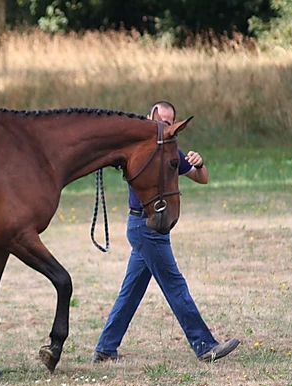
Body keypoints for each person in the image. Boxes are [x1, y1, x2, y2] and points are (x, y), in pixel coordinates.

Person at [92, 101, 240, 363]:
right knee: (174, 284)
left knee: (131, 292)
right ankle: (205, 345)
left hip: (153, 227)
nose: (165, 125)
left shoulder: (169, 150)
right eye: (161, 119)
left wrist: (200, 162)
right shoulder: (135, 147)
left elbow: (201, 177)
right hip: (144, 226)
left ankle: (105, 348)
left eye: (169, 121)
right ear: (149, 116)